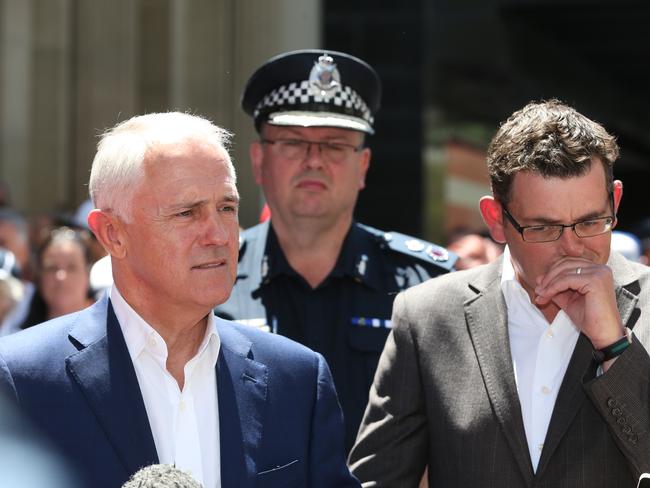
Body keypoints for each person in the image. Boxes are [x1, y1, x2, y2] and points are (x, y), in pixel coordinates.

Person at [0, 112, 358, 488]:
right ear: (112, 234)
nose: (219, 234)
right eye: (187, 213)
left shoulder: (297, 379)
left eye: (227, 208)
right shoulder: (22, 381)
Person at [349, 100, 650, 486]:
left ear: (616, 201)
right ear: (495, 220)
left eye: (591, 222)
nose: (573, 248)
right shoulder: (428, 317)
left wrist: (614, 347)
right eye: (543, 228)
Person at [215, 49, 456, 450]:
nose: (314, 161)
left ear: (363, 166)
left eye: (334, 145)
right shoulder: (210, 275)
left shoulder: (425, 284)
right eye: (293, 143)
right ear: (258, 162)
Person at [19, 226, 95, 329]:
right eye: (51, 268)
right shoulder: (20, 338)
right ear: (39, 276)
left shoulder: (112, 329)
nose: (61, 277)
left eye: (72, 267)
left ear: (88, 272)